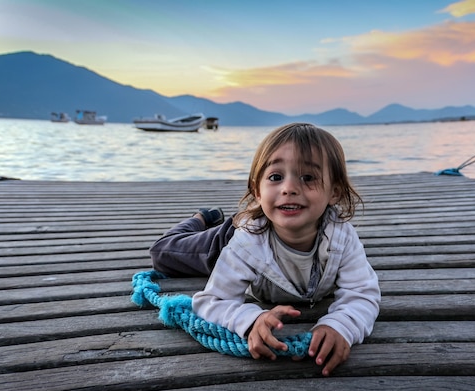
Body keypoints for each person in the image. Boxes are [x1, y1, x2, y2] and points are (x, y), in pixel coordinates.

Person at [150, 122, 381, 376]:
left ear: (334, 192)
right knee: (163, 254)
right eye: (275, 177)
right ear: (257, 191)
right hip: (233, 236)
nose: (289, 188)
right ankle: (200, 219)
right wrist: (250, 320)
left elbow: (362, 294)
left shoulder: (342, 238)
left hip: (268, 226)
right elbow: (211, 301)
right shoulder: (244, 243)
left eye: (308, 177)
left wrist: (341, 326)